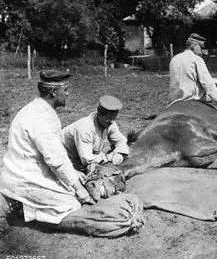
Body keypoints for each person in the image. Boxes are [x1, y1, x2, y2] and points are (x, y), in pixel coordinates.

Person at [0, 70, 92, 225]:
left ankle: (25, 205)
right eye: (66, 90)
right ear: (54, 91)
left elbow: (55, 154)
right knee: (71, 204)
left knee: (69, 188)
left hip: (24, 170)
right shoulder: (41, 118)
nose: (68, 94)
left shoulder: (38, 109)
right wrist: (79, 188)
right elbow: (55, 160)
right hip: (24, 178)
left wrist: (73, 173)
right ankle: (24, 209)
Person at [62, 95, 129, 172]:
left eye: (113, 118)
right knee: (92, 169)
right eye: (107, 119)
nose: (111, 122)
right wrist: (110, 157)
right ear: (99, 114)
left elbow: (121, 140)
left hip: (84, 157)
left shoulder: (110, 123)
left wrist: (119, 153)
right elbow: (87, 160)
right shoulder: (84, 127)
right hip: (64, 160)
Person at [168, 33, 217, 111]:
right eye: (201, 47)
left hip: (174, 99)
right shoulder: (197, 59)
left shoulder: (175, 59)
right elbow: (208, 84)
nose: (201, 52)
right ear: (193, 46)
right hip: (192, 98)